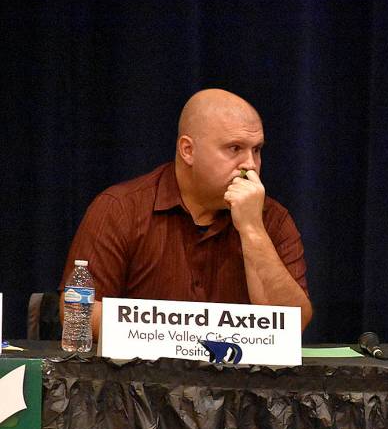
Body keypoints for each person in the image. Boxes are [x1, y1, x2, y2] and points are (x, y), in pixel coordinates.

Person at [60, 89, 313, 333]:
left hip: (240, 378)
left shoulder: (272, 220)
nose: (250, 165)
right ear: (188, 150)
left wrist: (252, 230)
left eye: (256, 150)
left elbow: (291, 327)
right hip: (144, 376)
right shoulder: (120, 209)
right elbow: (77, 314)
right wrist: (182, 334)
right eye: (235, 148)